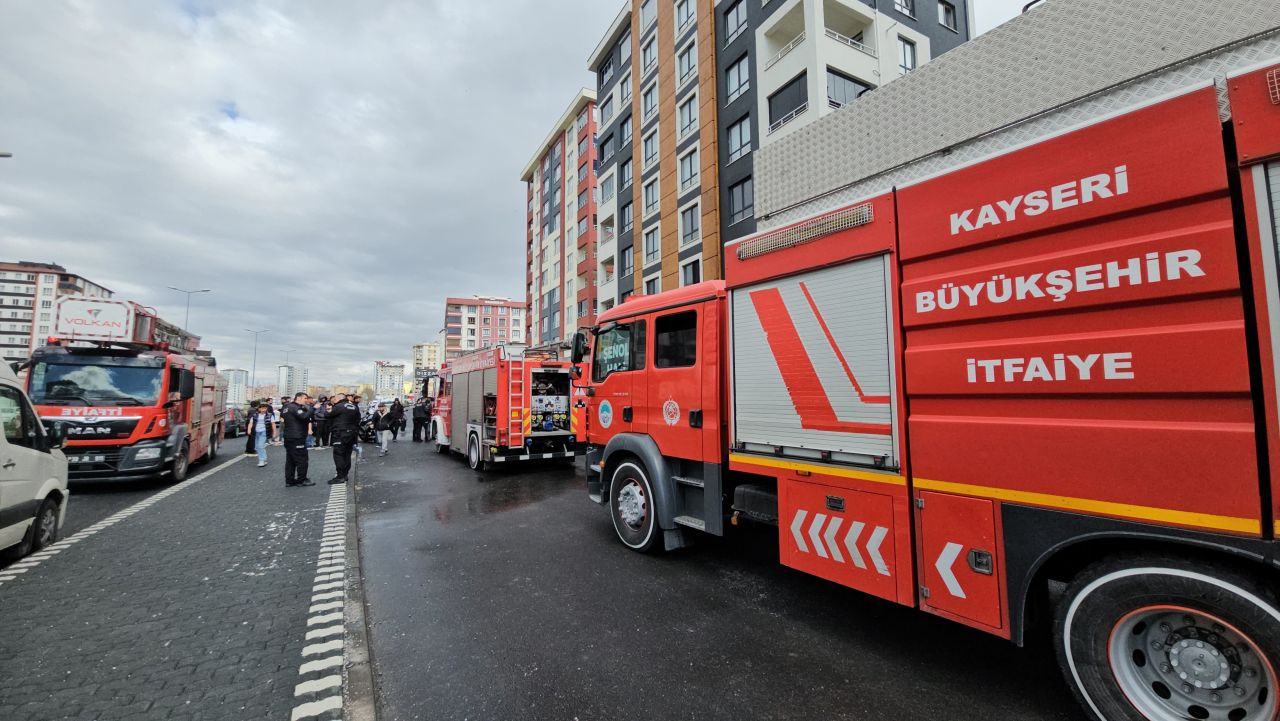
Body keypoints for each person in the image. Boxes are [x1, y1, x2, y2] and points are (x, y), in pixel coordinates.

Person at [282, 392, 315, 487]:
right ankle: (302, 480)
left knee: (290, 460)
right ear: (299, 398)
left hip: (288, 436)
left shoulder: (286, 407)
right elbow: (303, 416)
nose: (306, 400)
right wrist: (312, 408)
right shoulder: (295, 407)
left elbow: (285, 417)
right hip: (297, 437)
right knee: (302, 459)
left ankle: (289, 480)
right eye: (305, 398)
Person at [327, 393, 361, 485]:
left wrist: (328, 410)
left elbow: (328, 415)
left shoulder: (339, 406)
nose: (334, 400)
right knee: (347, 454)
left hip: (340, 433)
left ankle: (340, 476)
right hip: (352, 433)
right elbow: (358, 419)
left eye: (335, 398)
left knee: (338, 454)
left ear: (339, 398)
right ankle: (345, 474)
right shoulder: (354, 406)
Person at [246, 401, 276, 468]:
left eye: (265, 408)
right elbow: (250, 423)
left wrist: (274, 433)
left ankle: (261, 460)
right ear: (259, 409)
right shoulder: (254, 415)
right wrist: (249, 430)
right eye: (262, 408)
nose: (263, 409)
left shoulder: (270, 415)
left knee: (260, 446)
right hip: (256, 432)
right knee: (257, 447)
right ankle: (264, 459)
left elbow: (273, 424)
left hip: (264, 432)